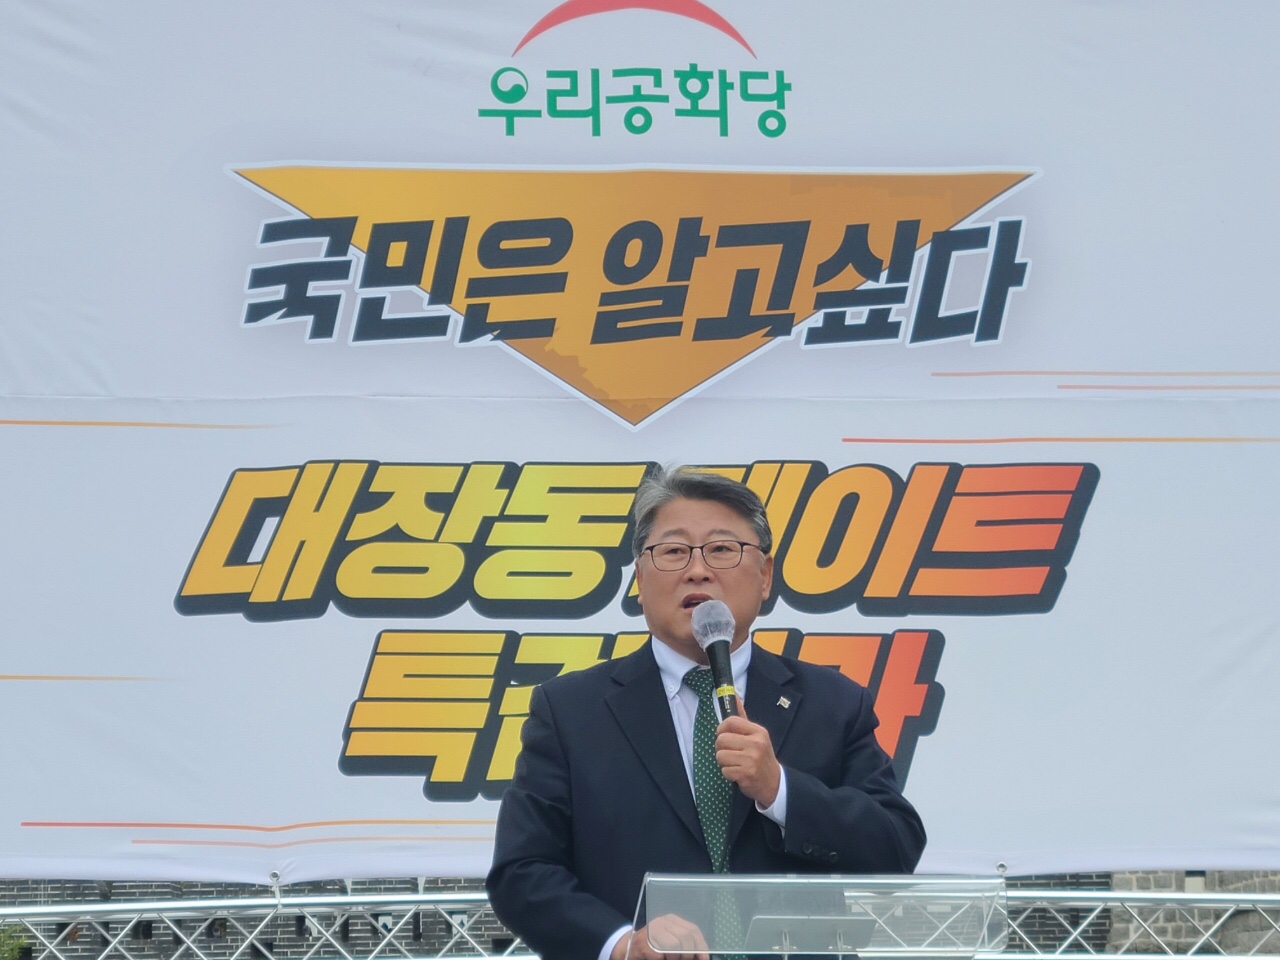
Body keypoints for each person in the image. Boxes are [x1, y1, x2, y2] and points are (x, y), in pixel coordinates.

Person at [487, 467, 926, 960]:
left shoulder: (833, 703)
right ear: (640, 580)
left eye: (721, 549)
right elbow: (522, 872)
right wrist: (622, 944)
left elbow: (896, 848)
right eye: (674, 551)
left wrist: (779, 789)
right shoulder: (570, 711)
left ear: (765, 576)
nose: (697, 570)